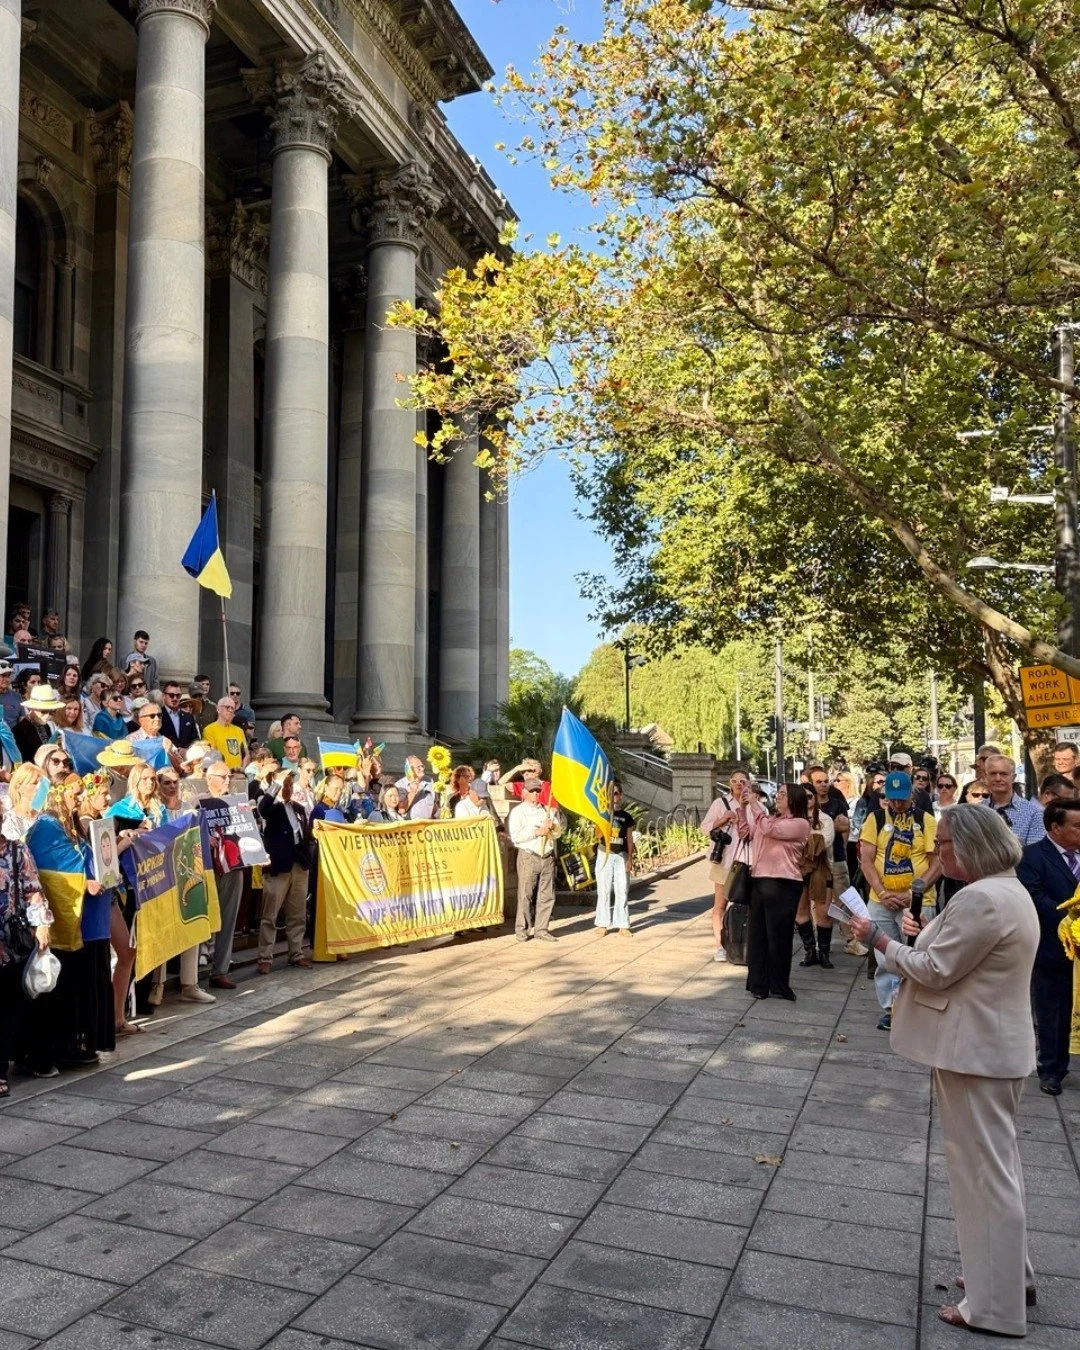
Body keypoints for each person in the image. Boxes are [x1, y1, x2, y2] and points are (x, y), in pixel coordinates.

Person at [850, 805, 1038, 1338]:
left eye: (948, 844)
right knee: (997, 1169)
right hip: (989, 1049)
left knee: (983, 1176)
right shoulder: (1005, 890)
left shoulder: (981, 898)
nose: (939, 852)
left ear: (972, 846)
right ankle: (1004, 1276)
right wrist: (919, 934)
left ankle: (995, 1305)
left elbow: (933, 970)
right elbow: (948, 956)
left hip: (975, 1052)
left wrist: (880, 941)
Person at [858, 770, 940, 1030]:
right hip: (880, 900)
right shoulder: (876, 818)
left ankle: (918, 1008)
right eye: (891, 799)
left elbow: (936, 861)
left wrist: (913, 893)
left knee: (918, 955)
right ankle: (892, 1008)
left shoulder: (926, 820)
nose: (896, 804)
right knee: (885, 956)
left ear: (911, 796)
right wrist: (882, 892)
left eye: (901, 799)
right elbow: (866, 860)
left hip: (918, 899)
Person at [1016, 798, 1080, 1097]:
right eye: (1077, 826)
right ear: (1055, 827)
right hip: (1053, 947)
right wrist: (1070, 918)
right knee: (1053, 1009)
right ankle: (1051, 1069)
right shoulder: (1032, 856)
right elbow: (1033, 896)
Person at [738, 783, 811, 1000]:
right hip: (760, 880)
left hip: (784, 883)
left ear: (794, 800)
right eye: (777, 793)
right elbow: (746, 832)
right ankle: (758, 984)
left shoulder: (800, 824)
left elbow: (770, 830)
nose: (777, 797)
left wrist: (753, 802)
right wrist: (742, 809)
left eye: (782, 794)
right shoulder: (769, 818)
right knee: (757, 935)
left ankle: (779, 984)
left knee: (778, 937)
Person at [79, 770, 138, 1035]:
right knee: (116, 954)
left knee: (126, 951)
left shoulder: (99, 819)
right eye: (102, 794)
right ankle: (108, 1018)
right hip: (94, 893)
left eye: (107, 793)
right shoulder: (83, 821)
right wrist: (123, 842)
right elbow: (99, 857)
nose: (107, 798)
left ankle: (116, 1017)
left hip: (108, 892)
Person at [0, 817, 49, 1097]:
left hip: (12, 940)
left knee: (7, 1007)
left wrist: (41, 924)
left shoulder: (17, 852)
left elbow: (33, 892)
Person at [258, 771, 313, 973]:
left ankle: (296, 953)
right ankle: (265, 957)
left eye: (290, 786)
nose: (287, 790)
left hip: (299, 865)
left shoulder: (298, 808)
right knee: (270, 914)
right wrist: (277, 784)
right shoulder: (272, 808)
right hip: (279, 866)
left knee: (297, 913)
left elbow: (304, 834)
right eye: (284, 786)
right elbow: (263, 809)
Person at [202, 757, 244, 992]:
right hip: (208, 867)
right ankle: (193, 968)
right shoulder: (196, 804)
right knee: (203, 918)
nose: (228, 780)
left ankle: (220, 970)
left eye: (229, 776)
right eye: (223, 776)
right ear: (210, 779)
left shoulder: (238, 804)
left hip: (233, 866)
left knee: (228, 918)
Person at [508, 778, 565, 942]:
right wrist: (536, 832)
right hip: (529, 855)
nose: (535, 794)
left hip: (547, 855)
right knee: (526, 894)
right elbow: (516, 837)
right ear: (524, 792)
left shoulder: (546, 810)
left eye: (537, 791)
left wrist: (553, 827)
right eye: (532, 791)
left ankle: (542, 929)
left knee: (547, 894)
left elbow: (557, 833)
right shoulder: (518, 812)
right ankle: (522, 929)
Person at [700, 771, 748, 963]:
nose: (738, 784)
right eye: (734, 781)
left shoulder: (755, 804)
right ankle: (720, 945)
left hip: (746, 863)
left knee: (747, 905)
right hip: (724, 861)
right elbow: (704, 828)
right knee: (720, 904)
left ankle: (743, 943)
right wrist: (722, 820)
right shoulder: (720, 803)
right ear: (729, 783)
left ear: (748, 783)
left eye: (742, 781)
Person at [795, 790, 835, 969]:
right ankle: (810, 950)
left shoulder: (825, 819)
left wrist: (803, 839)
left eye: (810, 796)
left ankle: (824, 952)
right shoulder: (793, 819)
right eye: (802, 797)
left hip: (822, 869)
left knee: (824, 912)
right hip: (797, 870)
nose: (807, 800)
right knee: (801, 910)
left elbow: (824, 843)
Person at [593, 780, 635, 935]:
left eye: (616, 794)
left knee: (622, 889)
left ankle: (623, 924)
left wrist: (630, 858)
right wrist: (605, 820)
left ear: (621, 796)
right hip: (605, 853)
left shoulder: (627, 817)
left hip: (621, 855)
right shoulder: (602, 814)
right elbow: (597, 835)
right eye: (611, 794)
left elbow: (629, 838)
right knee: (603, 889)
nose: (614, 797)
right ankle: (602, 923)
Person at [984, 756, 1045, 847]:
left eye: (1003, 774)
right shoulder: (976, 811)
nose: (998, 778)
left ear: (1013, 777)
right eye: (993, 774)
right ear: (986, 777)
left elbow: (1034, 851)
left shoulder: (1033, 812)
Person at [13, 683, 64, 762]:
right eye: (44, 711)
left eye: (52, 712)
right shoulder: (18, 731)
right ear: (32, 708)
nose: (48, 716)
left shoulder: (47, 725)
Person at [203, 697, 248, 770]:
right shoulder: (209, 730)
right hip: (221, 773)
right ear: (218, 709)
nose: (230, 710)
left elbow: (247, 754)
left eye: (232, 708)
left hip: (238, 774)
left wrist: (242, 768)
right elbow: (212, 756)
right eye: (227, 707)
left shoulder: (239, 730)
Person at [159, 680, 198, 749]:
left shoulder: (188, 717)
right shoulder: (157, 716)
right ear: (163, 696)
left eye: (178, 695)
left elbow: (195, 740)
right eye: (171, 695)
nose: (175, 698)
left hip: (185, 758)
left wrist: (186, 751)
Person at [396, 754, 437, 820]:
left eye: (422, 766)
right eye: (418, 767)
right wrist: (413, 792)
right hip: (411, 826)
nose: (422, 769)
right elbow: (401, 810)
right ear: (410, 769)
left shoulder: (430, 781)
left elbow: (434, 804)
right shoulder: (400, 785)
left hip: (428, 825)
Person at [0, 660, 20, 728]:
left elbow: (22, 721)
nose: (7, 679)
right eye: (3, 675)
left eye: (8, 676)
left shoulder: (17, 697)